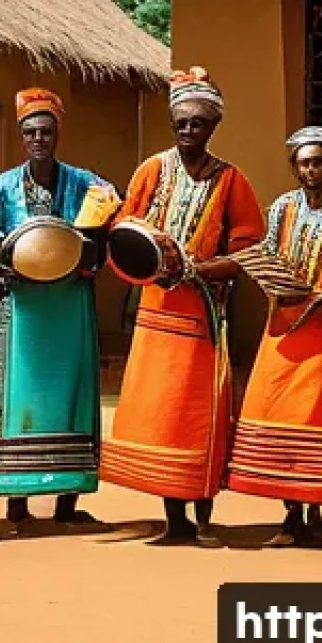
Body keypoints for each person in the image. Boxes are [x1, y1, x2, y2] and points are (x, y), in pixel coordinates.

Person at [100, 67, 264, 545]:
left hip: (205, 315)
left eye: (198, 123)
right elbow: (125, 232)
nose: (189, 130)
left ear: (213, 127)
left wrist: (201, 270)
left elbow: (248, 249)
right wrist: (158, 261)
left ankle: (204, 515)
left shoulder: (231, 181)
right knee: (162, 412)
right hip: (156, 313)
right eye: (181, 123)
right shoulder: (152, 171)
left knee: (202, 412)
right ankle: (174, 518)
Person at [227, 127, 322, 547]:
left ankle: (315, 512)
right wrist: (271, 281)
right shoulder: (282, 207)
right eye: (303, 162)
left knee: (319, 417)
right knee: (275, 411)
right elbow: (270, 251)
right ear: (293, 167)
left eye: (318, 161)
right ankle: (290, 513)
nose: (310, 169)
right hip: (283, 323)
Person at [0, 89, 110, 526]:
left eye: (46, 131)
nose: (39, 138)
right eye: (31, 132)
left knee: (71, 394)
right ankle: (17, 499)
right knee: (19, 396)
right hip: (24, 310)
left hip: (70, 305)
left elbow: (108, 230)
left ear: (58, 134)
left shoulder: (87, 184)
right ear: (22, 137)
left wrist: (93, 263)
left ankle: (67, 503)